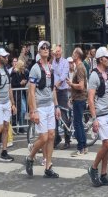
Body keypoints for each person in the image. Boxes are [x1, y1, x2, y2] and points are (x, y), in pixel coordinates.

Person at [25, 41, 61, 178]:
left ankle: (48, 166)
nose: (46, 49)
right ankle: (30, 156)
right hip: (40, 107)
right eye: (43, 48)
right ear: (39, 52)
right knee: (44, 137)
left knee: (51, 136)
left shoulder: (50, 68)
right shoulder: (35, 68)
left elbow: (53, 89)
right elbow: (31, 92)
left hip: (50, 106)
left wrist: (56, 106)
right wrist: (33, 111)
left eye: (47, 47)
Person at [87, 46, 108, 187]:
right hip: (100, 115)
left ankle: (104, 174)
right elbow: (90, 99)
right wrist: (94, 119)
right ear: (100, 59)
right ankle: (93, 169)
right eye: (107, 57)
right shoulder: (94, 75)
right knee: (107, 144)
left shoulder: (106, 73)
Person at [66, 47, 88, 157]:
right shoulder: (80, 67)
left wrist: (71, 84)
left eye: (74, 54)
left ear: (77, 56)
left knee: (77, 123)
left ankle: (81, 147)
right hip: (79, 98)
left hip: (79, 99)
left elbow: (81, 86)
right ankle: (84, 147)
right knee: (79, 123)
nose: (72, 55)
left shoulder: (79, 67)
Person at [52, 45, 70, 149]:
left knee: (63, 116)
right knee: (54, 115)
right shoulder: (53, 62)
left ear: (61, 52)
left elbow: (63, 76)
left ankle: (67, 139)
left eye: (58, 51)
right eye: (56, 52)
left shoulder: (65, 62)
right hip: (55, 91)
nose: (57, 53)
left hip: (62, 90)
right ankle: (56, 138)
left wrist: (56, 85)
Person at [10, 59, 28, 134]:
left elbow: (26, 78)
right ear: (20, 66)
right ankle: (15, 127)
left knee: (21, 110)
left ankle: (20, 127)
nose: (24, 67)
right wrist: (21, 83)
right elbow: (13, 84)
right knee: (17, 110)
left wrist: (24, 81)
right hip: (16, 93)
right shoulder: (14, 72)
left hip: (20, 93)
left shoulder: (21, 72)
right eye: (23, 66)